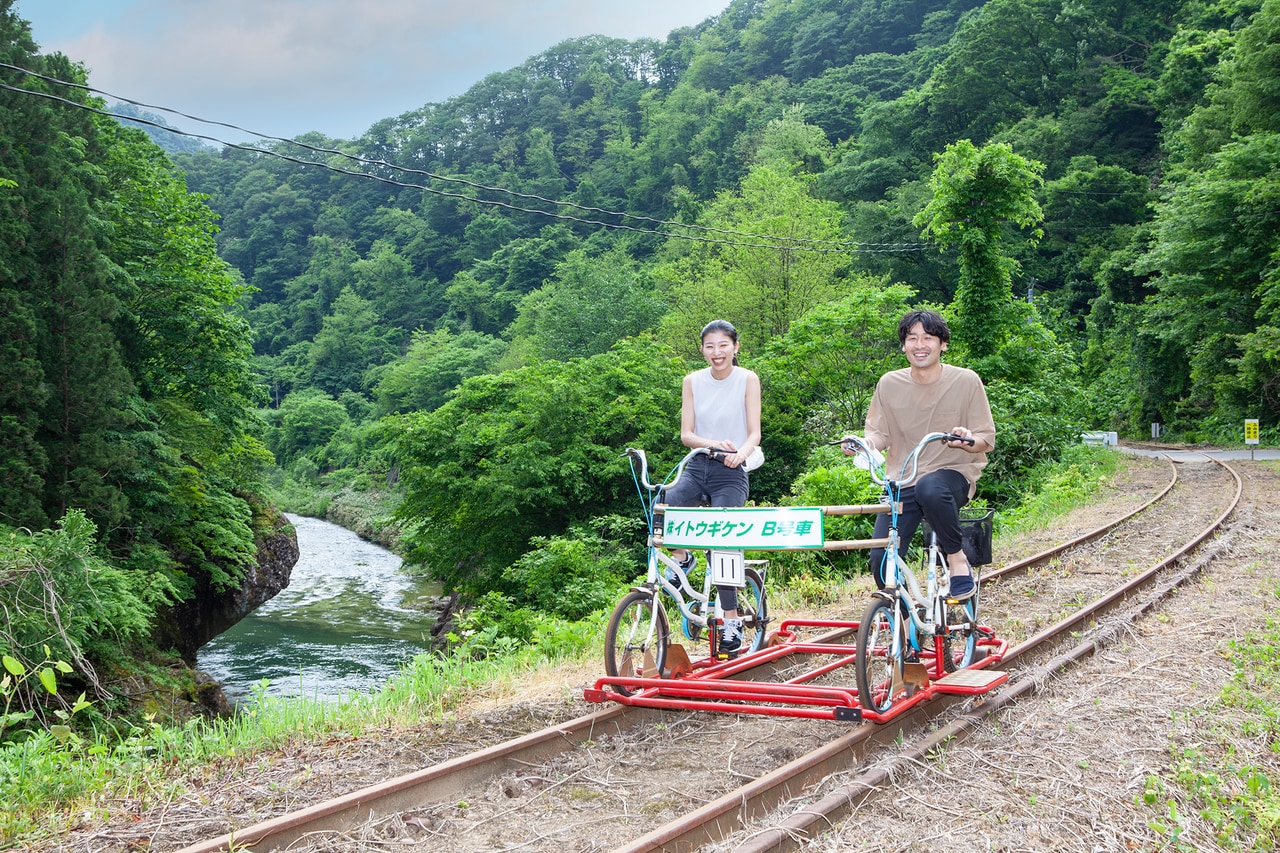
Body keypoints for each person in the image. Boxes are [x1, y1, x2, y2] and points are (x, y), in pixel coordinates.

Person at [843, 309, 995, 600]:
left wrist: (966, 439)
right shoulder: (889, 383)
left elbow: (985, 438)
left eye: (928, 337)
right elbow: (880, 434)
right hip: (902, 479)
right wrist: (862, 443)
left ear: (943, 344)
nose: (919, 345)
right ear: (903, 345)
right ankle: (901, 623)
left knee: (931, 487)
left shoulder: (966, 381)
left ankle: (956, 559)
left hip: (951, 476)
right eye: (912, 338)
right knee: (881, 560)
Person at [660, 320, 763, 657]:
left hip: (731, 471)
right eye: (710, 346)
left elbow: (754, 433)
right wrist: (712, 445)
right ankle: (682, 556)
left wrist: (740, 454)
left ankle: (731, 622)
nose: (717, 353)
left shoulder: (747, 379)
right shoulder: (692, 381)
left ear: (735, 347)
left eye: (723, 345)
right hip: (699, 463)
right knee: (664, 502)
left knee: (723, 543)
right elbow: (686, 434)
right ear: (702, 349)